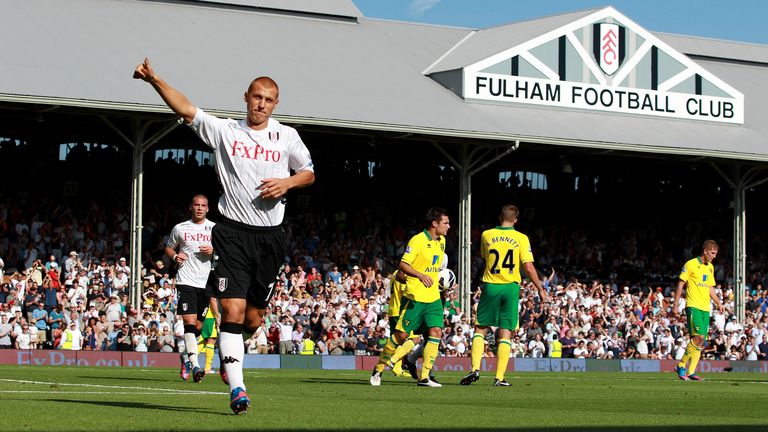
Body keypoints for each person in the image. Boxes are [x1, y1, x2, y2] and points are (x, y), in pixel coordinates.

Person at [135, 57, 314, 414]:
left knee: (253, 319)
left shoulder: (286, 135)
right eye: (256, 97)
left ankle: (230, 354)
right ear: (246, 97)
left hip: (271, 237)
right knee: (231, 310)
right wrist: (155, 79)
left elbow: (308, 172)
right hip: (231, 233)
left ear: (275, 104)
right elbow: (187, 109)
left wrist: (287, 182)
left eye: (268, 99)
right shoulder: (226, 131)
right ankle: (238, 388)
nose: (261, 104)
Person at [461, 204, 548, 387]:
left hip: (491, 285)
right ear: (515, 220)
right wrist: (540, 288)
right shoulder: (521, 238)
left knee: (481, 328)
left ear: (499, 217)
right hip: (511, 287)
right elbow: (529, 267)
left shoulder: (487, 235)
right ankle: (499, 378)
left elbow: (485, 260)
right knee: (505, 331)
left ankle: (475, 369)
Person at [382, 208, 451, 387]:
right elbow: (402, 267)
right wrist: (420, 275)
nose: (449, 227)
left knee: (434, 332)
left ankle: (424, 377)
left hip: (431, 297)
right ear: (434, 223)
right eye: (446, 223)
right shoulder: (417, 241)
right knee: (405, 336)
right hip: (412, 300)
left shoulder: (441, 242)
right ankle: (386, 364)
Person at [164, 194, 216, 383]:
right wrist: (174, 256)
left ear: (207, 209)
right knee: (189, 322)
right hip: (186, 280)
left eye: (203, 205)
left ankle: (185, 357)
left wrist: (214, 251)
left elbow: (226, 251)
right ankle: (195, 365)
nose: (200, 208)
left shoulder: (214, 229)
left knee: (199, 327)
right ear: (191, 207)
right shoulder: (180, 228)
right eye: (196, 205)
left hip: (206, 282)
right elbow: (169, 248)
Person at [673, 240, 724, 381]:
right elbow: (680, 284)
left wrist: (719, 302)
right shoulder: (690, 264)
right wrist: (676, 305)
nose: (714, 256)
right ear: (705, 251)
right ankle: (681, 364)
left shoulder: (710, 267)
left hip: (705, 308)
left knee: (701, 341)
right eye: (712, 253)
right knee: (698, 338)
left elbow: (710, 288)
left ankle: (690, 372)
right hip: (693, 305)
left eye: (716, 254)